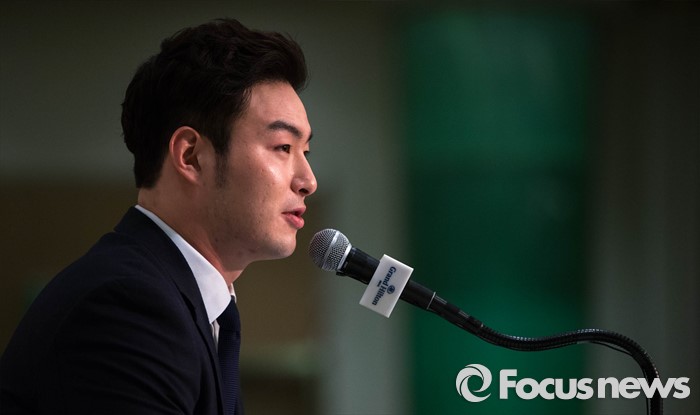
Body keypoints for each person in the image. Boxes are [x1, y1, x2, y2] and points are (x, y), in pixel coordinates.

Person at [0, 18, 316, 415]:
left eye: (306, 152)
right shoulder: (128, 307)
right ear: (191, 156)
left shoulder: (183, 302)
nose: (308, 181)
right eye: (283, 147)